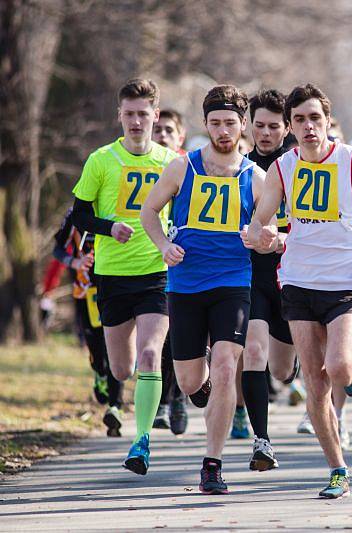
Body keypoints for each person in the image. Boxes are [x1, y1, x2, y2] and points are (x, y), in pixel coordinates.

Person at [246, 83, 352, 499]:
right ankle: (337, 469)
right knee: (314, 384)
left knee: (340, 367)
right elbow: (264, 221)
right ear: (291, 125)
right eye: (300, 119)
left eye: (316, 118)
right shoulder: (282, 168)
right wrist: (258, 235)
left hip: (345, 282)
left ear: (327, 121)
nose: (309, 126)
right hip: (297, 281)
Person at [141, 84, 265, 494]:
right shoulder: (182, 168)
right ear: (206, 125)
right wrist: (164, 246)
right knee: (191, 381)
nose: (223, 130)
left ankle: (212, 464)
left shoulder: (256, 176)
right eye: (215, 123)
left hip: (233, 281)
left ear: (242, 125)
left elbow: (277, 229)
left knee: (228, 366)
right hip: (186, 282)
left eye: (231, 122)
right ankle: (206, 390)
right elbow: (148, 211)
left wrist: (266, 239)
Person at [71, 78, 177, 475]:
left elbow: (184, 216)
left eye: (143, 114)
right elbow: (78, 216)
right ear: (119, 115)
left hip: (156, 271)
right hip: (112, 275)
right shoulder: (101, 161)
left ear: (155, 115)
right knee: (122, 369)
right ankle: (127, 395)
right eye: (129, 114)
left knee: (151, 354)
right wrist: (107, 227)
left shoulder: (170, 163)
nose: (136, 121)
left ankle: (142, 441)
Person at [241, 88, 299, 470]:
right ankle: (261, 442)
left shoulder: (301, 166)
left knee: (280, 369)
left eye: (273, 126)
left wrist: (283, 238)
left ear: (287, 127)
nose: (265, 133)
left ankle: (292, 374)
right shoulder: (240, 168)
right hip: (252, 278)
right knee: (254, 354)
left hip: (294, 277)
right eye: (259, 125)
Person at [52, 209, 125, 437]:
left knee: (116, 347)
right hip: (86, 290)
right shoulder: (75, 214)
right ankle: (100, 373)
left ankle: (116, 406)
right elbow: (58, 250)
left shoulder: (117, 208)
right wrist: (75, 262)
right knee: (95, 345)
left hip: (115, 285)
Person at [151, 108, 189, 436]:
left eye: (169, 130)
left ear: (181, 136)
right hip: (154, 259)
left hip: (186, 261)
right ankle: (165, 400)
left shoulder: (192, 167)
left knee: (183, 336)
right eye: (158, 130)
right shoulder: (146, 164)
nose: (162, 135)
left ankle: (179, 395)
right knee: (163, 338)